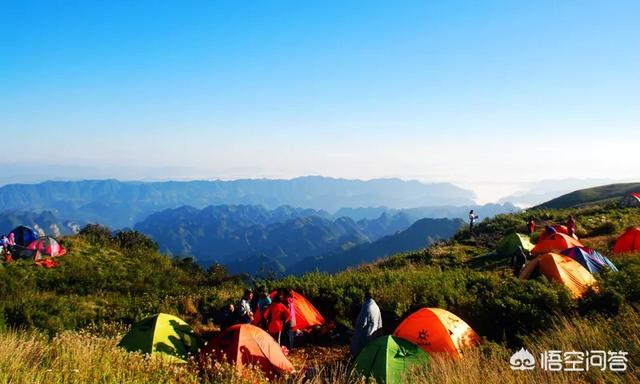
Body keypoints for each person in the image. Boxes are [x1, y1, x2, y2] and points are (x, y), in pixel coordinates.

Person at [350, 290, 383, 357]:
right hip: (374, 332)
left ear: (365, 297)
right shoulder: (376, 306)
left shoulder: (367, 306)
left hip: (366, 333)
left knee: (362, 350)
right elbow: (380, 322)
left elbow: (362, 322)